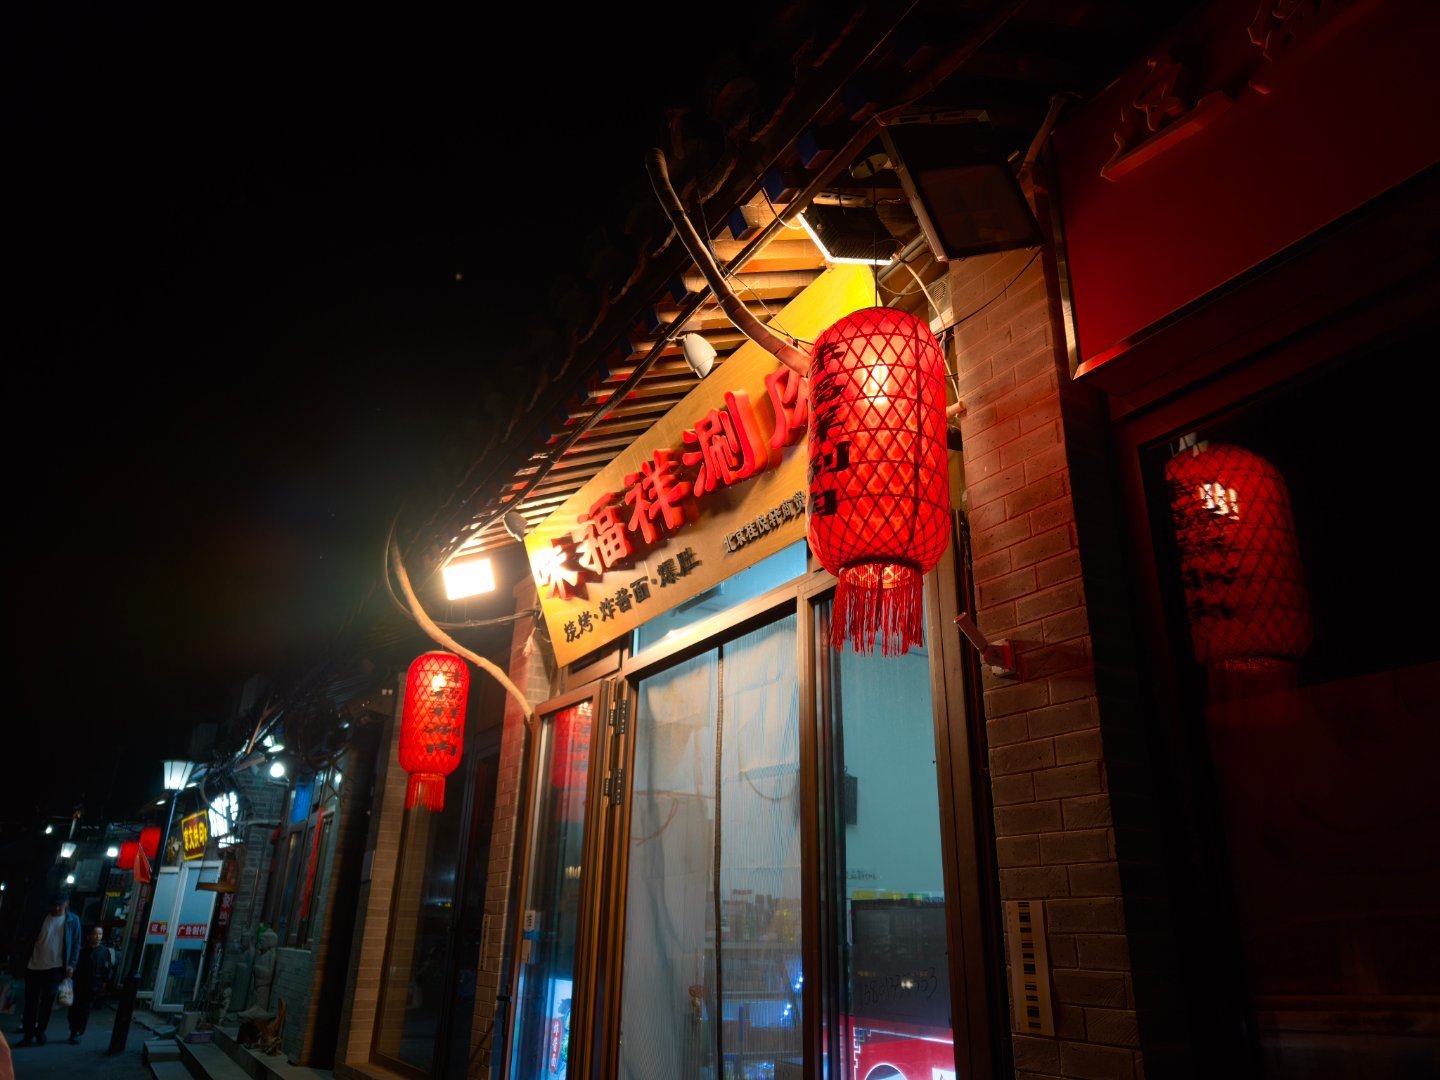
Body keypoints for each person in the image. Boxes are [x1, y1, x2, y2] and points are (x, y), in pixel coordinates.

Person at [13, 891, 80, 1048]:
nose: (56, 908)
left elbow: (76, 943)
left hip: (55, 968)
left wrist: (72, 964)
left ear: (66, 903)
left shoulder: (72, 920)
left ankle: (40, 1032)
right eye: (54, 905)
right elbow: (30, 938)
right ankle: (28, 1035)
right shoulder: (41, 917)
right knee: (30, 1003)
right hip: (34, 965)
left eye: (60, 905)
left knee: (47, 1003)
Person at [66, 925, 113, 1044]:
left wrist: (104, 983)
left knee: (85, 1009)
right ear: (89, 936)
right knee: (74, 1008)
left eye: (100, 934)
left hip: (94, 985)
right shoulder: (82, 951)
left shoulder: (105, 952)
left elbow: (107, 968)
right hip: (79, 984)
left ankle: (78, 1032)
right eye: (95, 934)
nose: (98, 937)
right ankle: (73, 1028)